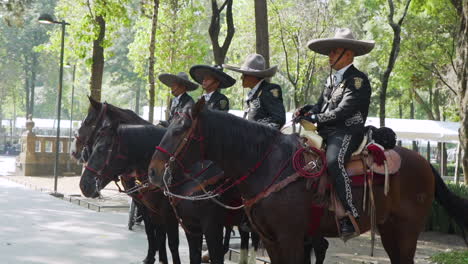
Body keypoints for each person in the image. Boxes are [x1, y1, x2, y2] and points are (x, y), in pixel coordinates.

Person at [294, 28, 374, 240]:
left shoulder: (358, 80)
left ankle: (350, 213)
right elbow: (321, 106)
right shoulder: (331, 80)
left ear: (348, 55)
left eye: (334, 51)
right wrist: (307, 111)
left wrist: (316, 119)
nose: (330, 56)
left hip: (347, 131)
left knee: (333, 162)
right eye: (330, 52)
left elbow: (343, 111)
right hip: (326, 132)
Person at [223, 53, 286, 129]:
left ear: (253, 76)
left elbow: (278, 119)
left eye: (244, 74)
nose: (241, 78)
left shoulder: (269, 90)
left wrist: (256, 133)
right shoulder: (253, 94)